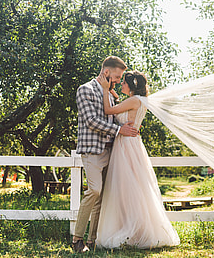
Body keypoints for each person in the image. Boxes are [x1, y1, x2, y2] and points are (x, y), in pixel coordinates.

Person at [95, 71, 180, 249]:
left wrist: (104, 90)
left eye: (124, 83)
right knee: (132, 186)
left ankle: (133, 231)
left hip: (126, 145)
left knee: (127, 187)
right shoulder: (139, 100)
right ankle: (135, 228)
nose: (121, 85)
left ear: (132, 85)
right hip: (131, 143)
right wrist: (114, 95)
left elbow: (109, 111)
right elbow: (124, 110)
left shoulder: (134, 100)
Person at [72, 56, 139, 253]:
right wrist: (119, 130)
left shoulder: (108, 93)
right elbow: (91, 121)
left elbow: (113, 116)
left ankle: (92, 241)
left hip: (111, 150)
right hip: (92, 150)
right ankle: (77, 239)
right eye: (117, 76)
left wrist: (126, 127)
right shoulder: (85, 90)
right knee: (94, 191)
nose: (119, 80)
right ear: (107, 72)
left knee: (102, 197)